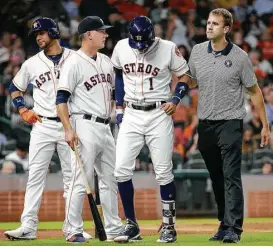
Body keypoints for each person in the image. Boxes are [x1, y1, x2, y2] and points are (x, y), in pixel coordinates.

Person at [4, 17, 92, 241]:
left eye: (41, 33)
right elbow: (14, 87)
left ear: (53, 33)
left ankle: (73, 229)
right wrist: (22, 108)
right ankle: (28, 226)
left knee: (72, 179)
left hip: (70, 124)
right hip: (42, 125)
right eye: (36, 34)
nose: (38, 37)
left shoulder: (76, 57)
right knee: (35, 176)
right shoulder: (32, 63)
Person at [187, 8, 270, 243]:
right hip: (205, 124)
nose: (209, 26)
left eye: (215, 24)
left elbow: (254, 92)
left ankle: (234, 228)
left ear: (226, 29)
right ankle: (224, 222)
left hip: (231, 123)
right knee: (216, 176)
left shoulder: (241, 57)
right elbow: (191, 81)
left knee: (231, 175)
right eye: (208, 22)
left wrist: (265, 125)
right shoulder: (197, 52)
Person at [111, 16, 191, 243]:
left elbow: (185, 75)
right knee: (121, 171)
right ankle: (132, 225)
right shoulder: (120, 47)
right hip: (132, 113)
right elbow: (118, 74)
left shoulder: (167, 48)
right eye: (137, 42)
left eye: (144, 42)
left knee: (164, 171)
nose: (140, 46)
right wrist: (118, 107)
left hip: (159, 113)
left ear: (152, 36)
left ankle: (169, 226)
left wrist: (176, 98)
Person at [56, 16, 123, 243]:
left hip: (106, 125)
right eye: (101, 31)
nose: (105, 34)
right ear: (88, 35)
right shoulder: (73, 62)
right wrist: (67, 128)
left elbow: (115, 93)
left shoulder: (106, 61)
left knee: (110, 179)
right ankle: (72, 229)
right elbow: (61, 98)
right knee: (78, 179)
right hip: (83, 123)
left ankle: (113, 228)